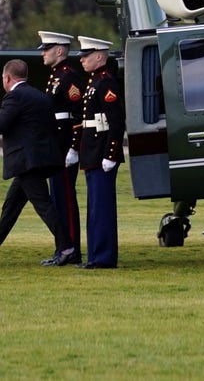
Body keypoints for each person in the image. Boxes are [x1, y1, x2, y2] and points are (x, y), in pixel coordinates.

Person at [0, 59, 76, 267]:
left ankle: (67, 247)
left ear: (7, 77)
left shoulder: (14, 97)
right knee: (11, 206)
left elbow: (0, 125)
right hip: (39, 160)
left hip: (26, 163)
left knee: (43, 205)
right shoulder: (40, 97)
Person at [73, 36, 126, 269]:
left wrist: (111, 154)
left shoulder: (105, 82)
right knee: (94, 208)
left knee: (102, 208)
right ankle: (95, 255)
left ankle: (103, 257)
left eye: (86, 55)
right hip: (92, 151)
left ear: (99, 56)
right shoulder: (94, 81)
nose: (82, 60)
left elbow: (116, 121)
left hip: (102, 151)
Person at [37, 30, 86, 267]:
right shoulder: (56, 76)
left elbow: (78, 115)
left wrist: (73, 148)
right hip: (56, 146)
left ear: (59, 51)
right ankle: (63, 248)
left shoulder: (69, 77)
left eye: (46, 49)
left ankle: (71, 249)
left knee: (65, 200)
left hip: (65, 146)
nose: (42, 54)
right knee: (57, 199)